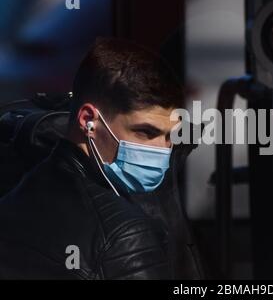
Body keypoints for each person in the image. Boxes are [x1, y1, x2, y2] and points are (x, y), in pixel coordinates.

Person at [0, 37, 204, 279]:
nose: (163, 149)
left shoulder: (17, 195)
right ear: (88, 121)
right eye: (146, 132)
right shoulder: (126, 236)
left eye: (171, 136)